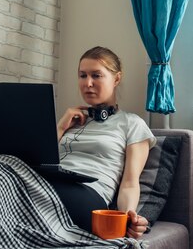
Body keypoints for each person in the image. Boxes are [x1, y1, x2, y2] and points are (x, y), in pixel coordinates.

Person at [52, 46, 155, 239]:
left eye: (96, 75)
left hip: (87, 194)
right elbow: (39, 160)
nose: (88, 83)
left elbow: (130, 183)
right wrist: (60, 127)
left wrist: (127, 217)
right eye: (82, 75)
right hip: (50, 185)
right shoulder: (71, 121)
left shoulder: (132, 123)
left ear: (116, 79)